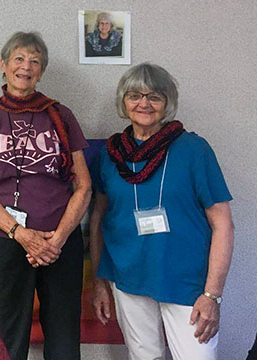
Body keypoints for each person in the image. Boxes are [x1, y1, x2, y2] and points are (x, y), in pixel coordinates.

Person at [89, 63, 234, 360]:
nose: (144, 103)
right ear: (123, 101)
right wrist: (99, 279)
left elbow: (223, 225)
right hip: (127, 276)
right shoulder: (111, 154)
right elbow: (98, 218)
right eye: (134, 95)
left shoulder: (194, 150)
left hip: (186, 281)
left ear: (167, 102)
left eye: (154, 96)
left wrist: (212, 295)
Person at [0, 31, 92, 360]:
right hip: (5, 241)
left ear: (42, 72)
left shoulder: (61, 116)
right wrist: (21, 235)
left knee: (64, 337)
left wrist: (57, 240)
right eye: (19, 59)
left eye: (35, 61)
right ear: (4, 65)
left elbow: (84, 186)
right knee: (8, 337)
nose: (26, 66)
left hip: (60, 243)